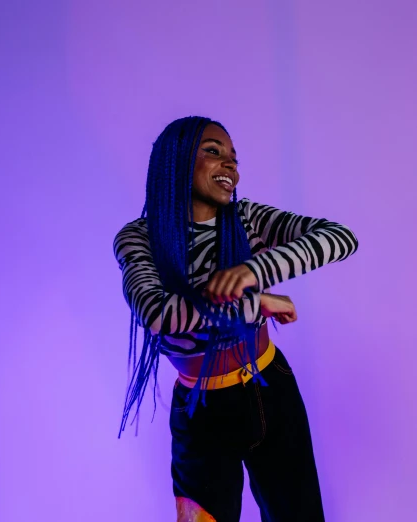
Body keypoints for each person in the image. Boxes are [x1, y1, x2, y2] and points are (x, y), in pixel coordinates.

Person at [113, 116, 358, 522]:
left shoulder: (248, 218)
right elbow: (157, 314)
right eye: (213, 152)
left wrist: (253, 274)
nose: (230, 166)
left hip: (271, 389)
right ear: (175, 161)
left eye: (233, 158)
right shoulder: (139, 238)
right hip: (201, 409)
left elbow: (339, 237)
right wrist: (254, 303)